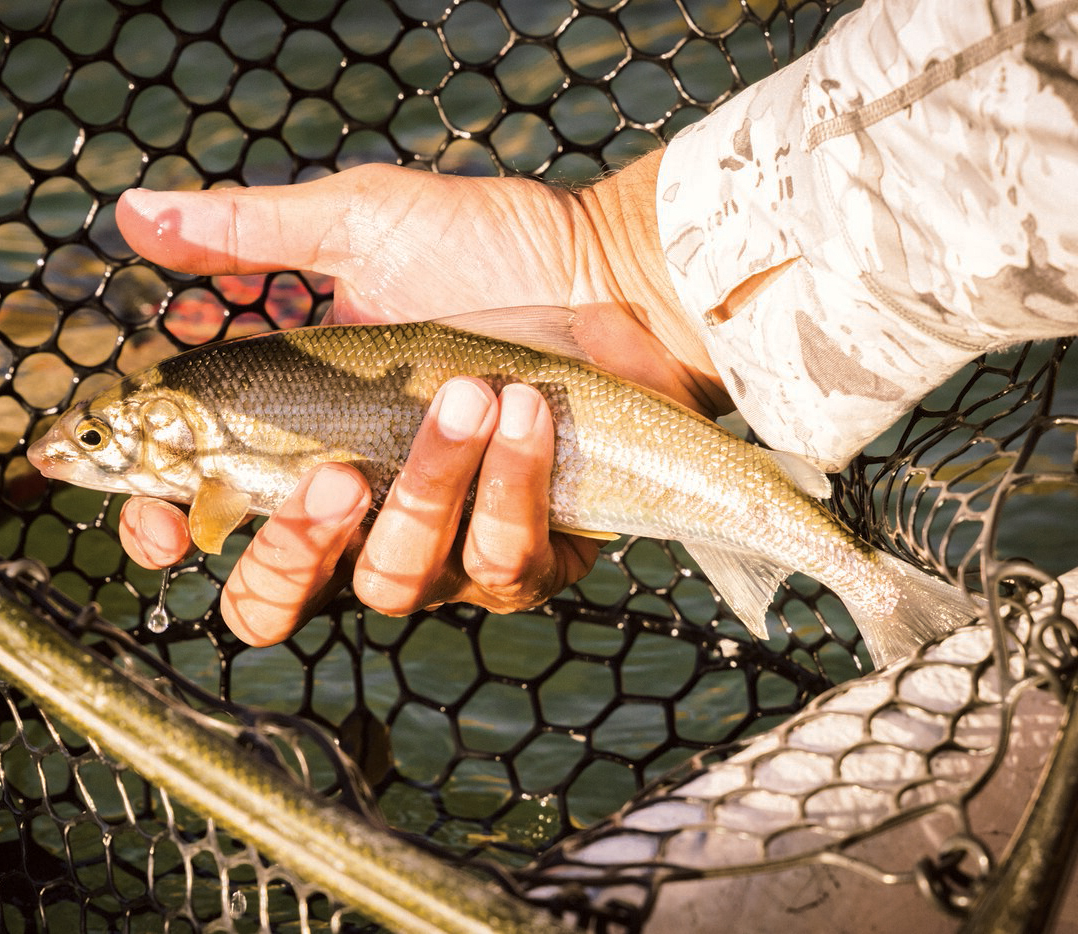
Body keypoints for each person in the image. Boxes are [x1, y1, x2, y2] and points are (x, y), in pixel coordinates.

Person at [112, 0, 1078, 647]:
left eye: (98, 438)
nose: (77, 451)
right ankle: (890, 602)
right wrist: (624, 261)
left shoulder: (211, 427)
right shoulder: (217, 422)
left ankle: (884, 601)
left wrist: (624, 264)